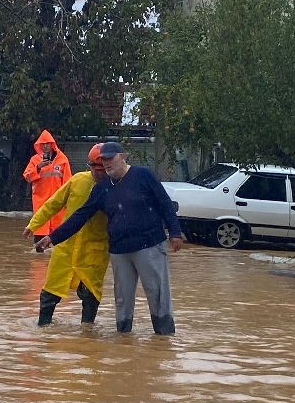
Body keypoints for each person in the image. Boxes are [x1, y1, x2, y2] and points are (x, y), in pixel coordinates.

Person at [36, 142, 184, 335]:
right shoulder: (102, 188)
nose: (106, 163)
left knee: (157, 294)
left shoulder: (143, 175)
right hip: (119, 250)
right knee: (122, 299)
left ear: (123, 157)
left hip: (149, 246)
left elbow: (164, 203)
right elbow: (81, 215)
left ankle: (164, 338)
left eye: (110, 158)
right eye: (103, 160)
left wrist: (174, 232)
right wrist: (52, 238)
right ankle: (124, 339)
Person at [23, 144, 110, 326]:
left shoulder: (114, 187)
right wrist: (34, 224)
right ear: (90, 166)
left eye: (104, 169)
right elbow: (53, 204)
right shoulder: (78, 181)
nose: (100, 173)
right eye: (96, 168)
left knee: (90, 295)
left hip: (94, 251)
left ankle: (87, 335)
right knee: (50, 292)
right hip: (66, 247)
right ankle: (43, 329)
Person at [22, 130, 71, 251]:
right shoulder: (34, 160)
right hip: (41, 204)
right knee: (39, 242)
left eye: (47, 143)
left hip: (58, 205)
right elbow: (27, 176)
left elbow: (68, 182)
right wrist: (37, 168)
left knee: (57, 240)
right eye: (42, 144)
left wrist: (68, 201)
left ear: (52, 144)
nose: (45, 146)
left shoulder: (63, 160)